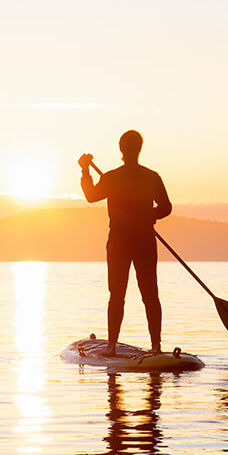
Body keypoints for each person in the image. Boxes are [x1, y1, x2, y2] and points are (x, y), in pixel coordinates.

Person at [79, 130, 172, 356]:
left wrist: (84, 170)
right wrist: (151, 215)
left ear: (121, 149)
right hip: (142, 242)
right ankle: (156, 346)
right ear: (139, 148)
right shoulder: (151, 177)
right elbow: (166, 208)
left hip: (121, 243)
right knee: (150, 295)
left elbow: (90, 196)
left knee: (117, 295)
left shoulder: (113, 178)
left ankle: (112, 346)